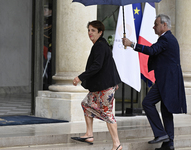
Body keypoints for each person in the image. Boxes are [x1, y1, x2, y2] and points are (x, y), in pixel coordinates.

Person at [122, 14, 187, 150]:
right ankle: (169, 144)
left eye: (156, 24)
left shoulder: (166, 39)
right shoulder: (167, 39)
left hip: (167, 81)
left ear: (164, 25)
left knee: (147, 103)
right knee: (166, 110)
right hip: (168, 80)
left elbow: (152, 50)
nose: (153, 27)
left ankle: (161, 134)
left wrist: (132, 44)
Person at [71, 20, 122, 150]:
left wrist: (80, 77)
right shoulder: (101, 44)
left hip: (104, 87)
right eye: (89, 30)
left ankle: (117, 144)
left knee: (107, 114)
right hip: (101, 86)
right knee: (86, 104)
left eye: (93, 30)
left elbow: (97, 66)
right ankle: (89, 134)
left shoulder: (100, 46)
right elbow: (110, 63)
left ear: (100, 32)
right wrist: (116, 80)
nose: (90, 33)